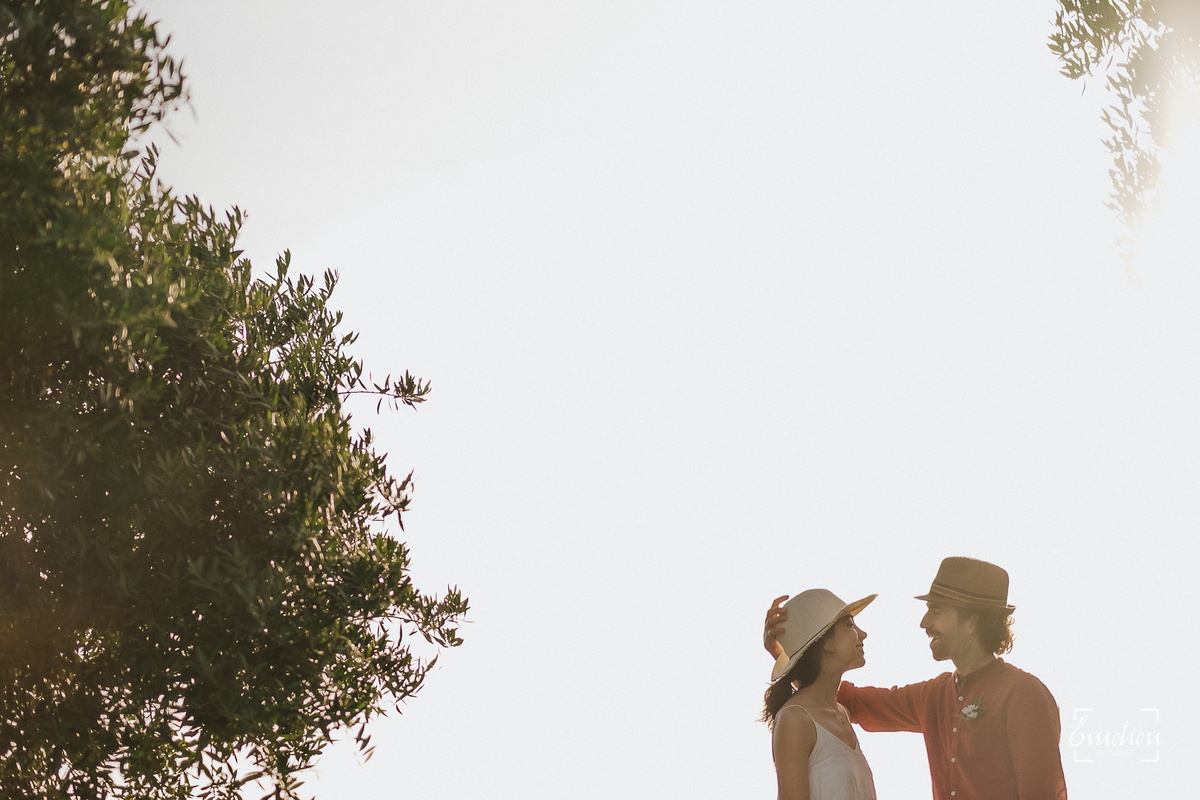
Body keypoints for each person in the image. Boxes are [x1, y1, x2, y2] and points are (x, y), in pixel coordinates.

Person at [764, 557, 1067, 800]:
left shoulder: (1024, 694)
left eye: (935, 611)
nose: (924, 623)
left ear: (972, 620)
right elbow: (835, 698)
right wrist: (792, 651)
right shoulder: (933, 696)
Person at [763, 588, 879, 800]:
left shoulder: (841, 713)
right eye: (850, 624)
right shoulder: (795, 720)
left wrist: (785, 656)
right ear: (825, 641)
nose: (863, 633)